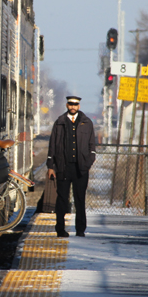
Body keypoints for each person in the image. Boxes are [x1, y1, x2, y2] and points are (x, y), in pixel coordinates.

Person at [46, 95, 97, 237]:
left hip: (81, 168)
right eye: (70, 104)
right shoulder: (59, 122)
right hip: (63, 167)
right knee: (62, 199)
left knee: (80, 198)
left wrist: (89, 161)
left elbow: (92, 145)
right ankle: (60, 229)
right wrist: (51, 166)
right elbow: (52, 145)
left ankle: (80, 230)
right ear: (67, 105)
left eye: (75, 104)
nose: (73, 106)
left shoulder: (87, 123)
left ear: (79, 106)